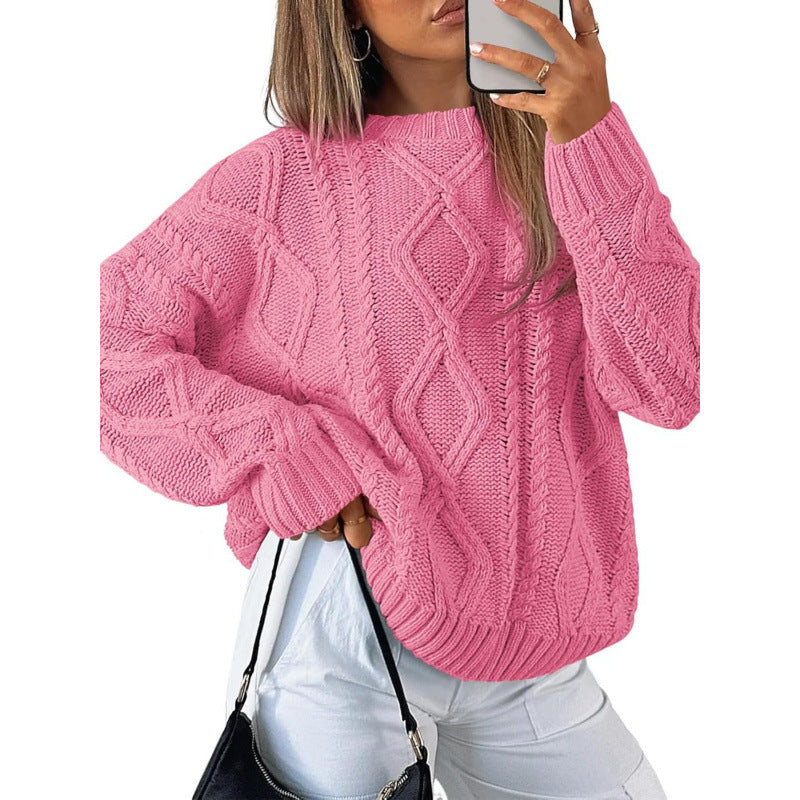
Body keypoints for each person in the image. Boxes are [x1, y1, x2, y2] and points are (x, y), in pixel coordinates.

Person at [99, 1, 699, 798]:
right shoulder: (282, 178)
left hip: (541, 648)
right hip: (348, 617)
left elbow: (667, 385)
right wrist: (281, 451)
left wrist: (591, 138)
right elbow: (105, 343)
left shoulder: (570, 161)